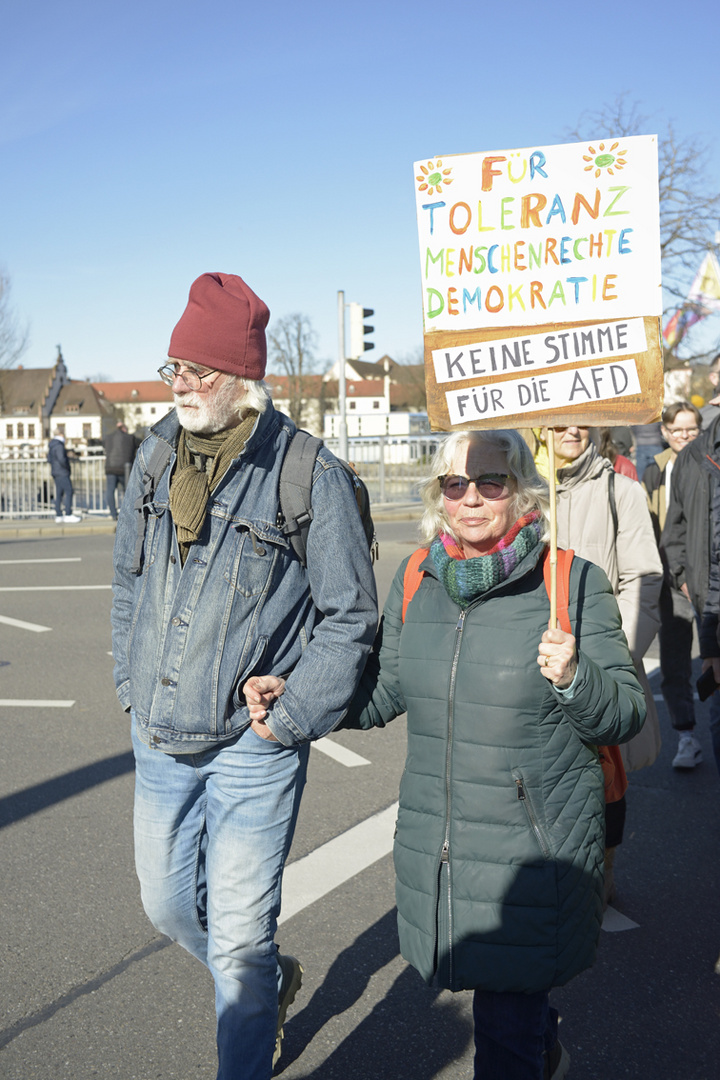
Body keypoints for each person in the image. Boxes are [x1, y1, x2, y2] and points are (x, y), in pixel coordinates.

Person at [246, 429, 646, 1080]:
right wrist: (300, 693)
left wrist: (576, 676)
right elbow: (382, 692)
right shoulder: (418, 576)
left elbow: (626, 712)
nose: (472, 499)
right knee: (509, 1008)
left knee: (503, 1029)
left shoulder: (571, 579)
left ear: (520, 489)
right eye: (455, 485)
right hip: (444, 844)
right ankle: (543, 1044)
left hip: (532, 854)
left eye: (491, 482)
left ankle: (532, 1047)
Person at [110, 272, 378, 1080]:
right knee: (165, 907)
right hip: (158, 732)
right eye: (173, 369)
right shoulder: (157, 453)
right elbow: (126, 579)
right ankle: (268, 976)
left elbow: (351, 616)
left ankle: (248, 1019)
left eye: (197, 371)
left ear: (241, 378)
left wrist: (290, 717)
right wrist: (130, 679)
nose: (181, 385)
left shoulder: (309, 474)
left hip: (253, 748)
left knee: (236, 934)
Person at [532, 426, 662, 905]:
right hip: (535, 665)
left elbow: (643, 581)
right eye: (561, 417)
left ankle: (599, 879)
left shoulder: (620, 491)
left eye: (584, 418)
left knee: (607, 782)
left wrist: (610, 657)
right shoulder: (519, 487)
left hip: (598, 666)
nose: (572, 428)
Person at [642, 402, 702, 768]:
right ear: (664, 432)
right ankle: (687, 737)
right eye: (677, 429)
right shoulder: (654, 472)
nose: (683, 436)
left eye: (690, 429)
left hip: (707, 576)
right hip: (670, 579)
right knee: (675, 662)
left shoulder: (709, 462)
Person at [663, 405, 720, 776]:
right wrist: (682, 573)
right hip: (704, 598)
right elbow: (675, 525)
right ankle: (689, 733)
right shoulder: (692, 458)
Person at [103, 421, 137, 519]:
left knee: (110, 491)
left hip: (110, 468)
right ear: (124, 429)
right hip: (124, 469)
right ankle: (127, 513)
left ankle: (113, 514)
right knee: (127, 491)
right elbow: (139, 444)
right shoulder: (130, 437)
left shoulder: (108, 437)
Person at [47, 429, 81, 522]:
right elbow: (61, 459)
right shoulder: (59, 445)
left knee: (59, 493)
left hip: (56, 471)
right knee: (69, 491)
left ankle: (58, 515)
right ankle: (68, 514)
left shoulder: (52, 444)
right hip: (62, 472)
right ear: (61, 435)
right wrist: (66, 466)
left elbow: (49, 459)